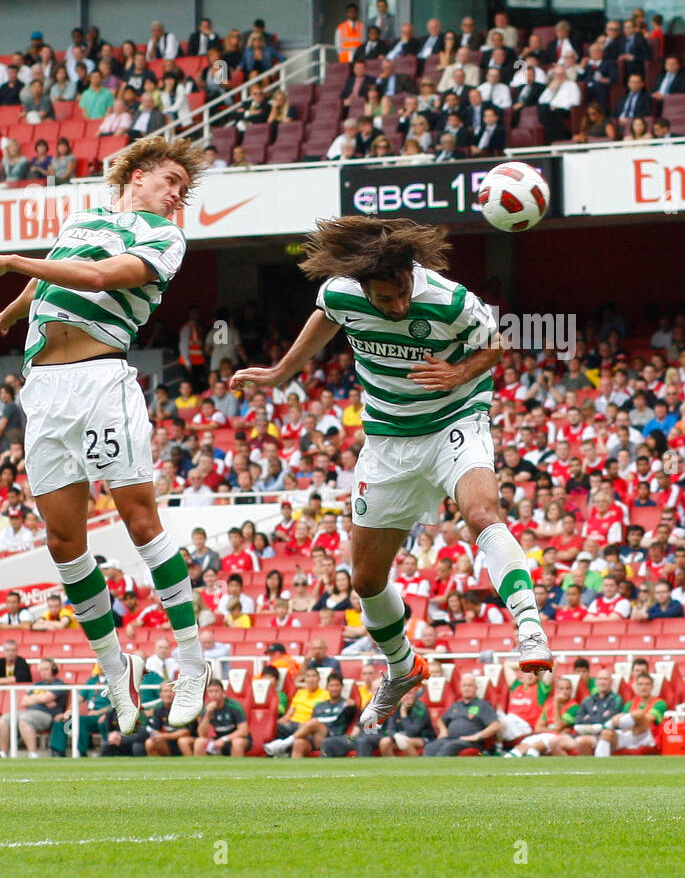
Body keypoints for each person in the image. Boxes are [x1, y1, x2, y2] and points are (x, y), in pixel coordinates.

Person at [230, 218, 551, 733]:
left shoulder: (449, 300)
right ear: (363, 288)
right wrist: (280, 372)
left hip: (454, 422)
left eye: (402, 292)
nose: (398, 306)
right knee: (365, 579)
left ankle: (530, 627)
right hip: (387, 441)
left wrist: (458, 372)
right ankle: (403, 668)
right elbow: (326, 316)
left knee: (481, 512)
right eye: (385, 299)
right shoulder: (341, 292)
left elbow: (495, 344)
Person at [0, 136, 212, 739]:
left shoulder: (165, 236)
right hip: (44, 390)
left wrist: (13, 261)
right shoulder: (83, 218)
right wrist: (10, 313)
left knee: (140, 521)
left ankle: (192, 661)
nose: (178, 195)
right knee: (64, 540)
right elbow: (54, 274)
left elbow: (97, 275)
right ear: (138, 173)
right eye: (171, 181)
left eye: (184, 189)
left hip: (101, 381)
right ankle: (115, 669)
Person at [0, 657, 69, 758]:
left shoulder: (59, 684)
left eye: (46, 669)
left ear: (54, 669)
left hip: (48, 715)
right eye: (41, 670)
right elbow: (24, 701)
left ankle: (33, 754)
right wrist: (43, 699)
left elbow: (45, 698)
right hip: (30, 711)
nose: (43, 672)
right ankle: (3, 754)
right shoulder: (37, 684)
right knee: (4, 719)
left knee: (25, 719)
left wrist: (36, 698)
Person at [591, 672, 666, 757]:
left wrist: (623, 722)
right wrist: (617, 721)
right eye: (640, 684)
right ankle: (601, 761)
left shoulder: (659, 703)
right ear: (636, 687)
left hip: (646, 736)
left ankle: (608, 725)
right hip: (629, 735)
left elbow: (647, 719)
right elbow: (620, 717)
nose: (644, 687)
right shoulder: (630, 704)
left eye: (647, 684)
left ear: (652, 687)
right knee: (606, 733)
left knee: (639, 714)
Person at [424, 673, 500, 755]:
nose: (466, 688)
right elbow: (440, 721)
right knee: (430, 747)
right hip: (450, 739)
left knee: (449, 747)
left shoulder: (483, 705)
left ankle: (439, 763)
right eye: (464, 686)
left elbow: (495, 725)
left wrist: (477, 736)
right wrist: (443, 730)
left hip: (470, 741)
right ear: (460, 688)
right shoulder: (456, 705)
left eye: (470, 686)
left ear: (476, 688)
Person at [193, 679, 250, 756]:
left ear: (223, 692)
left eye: (217, 691)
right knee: (199, 742)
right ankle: (201, 764)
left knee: (237, 743)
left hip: (236, 738)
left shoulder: (234, 706)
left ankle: (236, 764)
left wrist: (224, 739)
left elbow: (243, 731)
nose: (214, 694)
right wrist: (207, 714)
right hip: (219, 738)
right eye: (210, 692)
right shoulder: (207, 708)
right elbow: (202, 734)